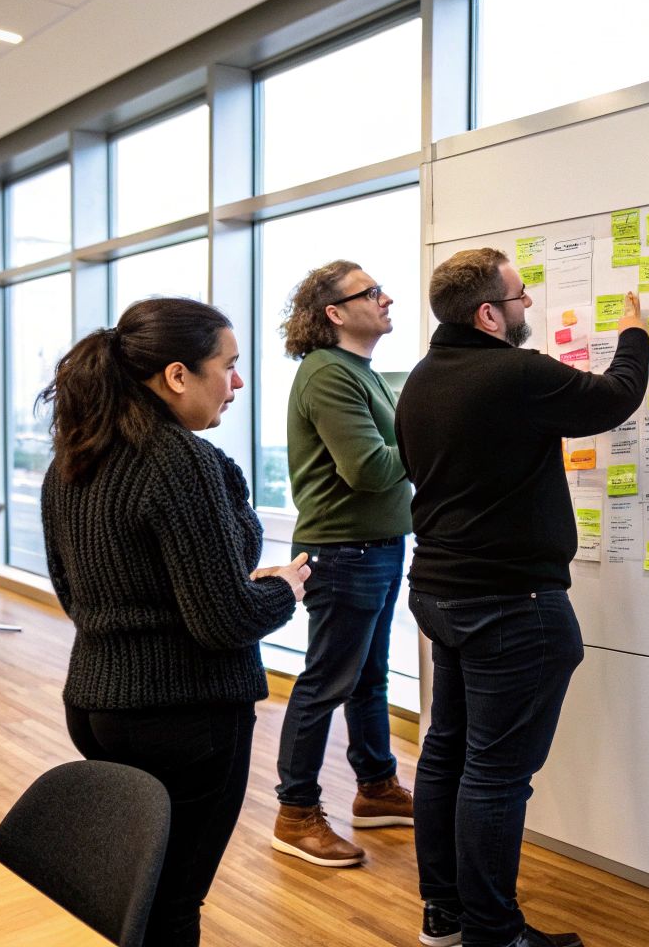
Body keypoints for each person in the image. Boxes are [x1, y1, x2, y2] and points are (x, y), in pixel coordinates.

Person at [396, 249, 649, 947]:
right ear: (488, 314)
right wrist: (635, 333)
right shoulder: (513, 373)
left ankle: (444, 915)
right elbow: (615, 398)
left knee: (447, 755)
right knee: (496, 777)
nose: (529, 307)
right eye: (519, 298)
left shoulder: (421, 380)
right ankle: (493, 933)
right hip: (511, 605)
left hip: (442, 597)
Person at [37, 296, 311, 947]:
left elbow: (76, 593)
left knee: (126, 895)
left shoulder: (72, 456)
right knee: (171, 904)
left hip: (97, 705)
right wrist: (285, 589)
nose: (238, 382)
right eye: (230, 365)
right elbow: (224, 622)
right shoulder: (177, 459)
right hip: (187, 718)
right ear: (178, 375)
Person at [270, 260, 414, 867]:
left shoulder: (362, 370)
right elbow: (370, 469)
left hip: (376, 545)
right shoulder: (328, 374)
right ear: (334, 313)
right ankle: (295, 812)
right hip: (344, 551)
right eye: (371, 292)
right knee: (326, 682)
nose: (387, 298)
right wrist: (436, 442)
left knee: (369, 676)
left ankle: (375, 787)